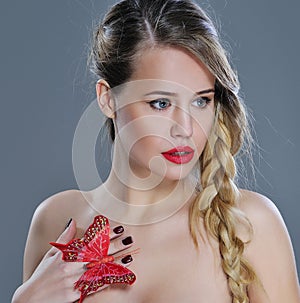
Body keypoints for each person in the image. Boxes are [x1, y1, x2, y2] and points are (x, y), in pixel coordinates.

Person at [12, 0, 300, 302]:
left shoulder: (248, 224)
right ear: (108, 100)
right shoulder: (57, 219)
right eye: (161, 103)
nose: (185, 129)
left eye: (201, 101)